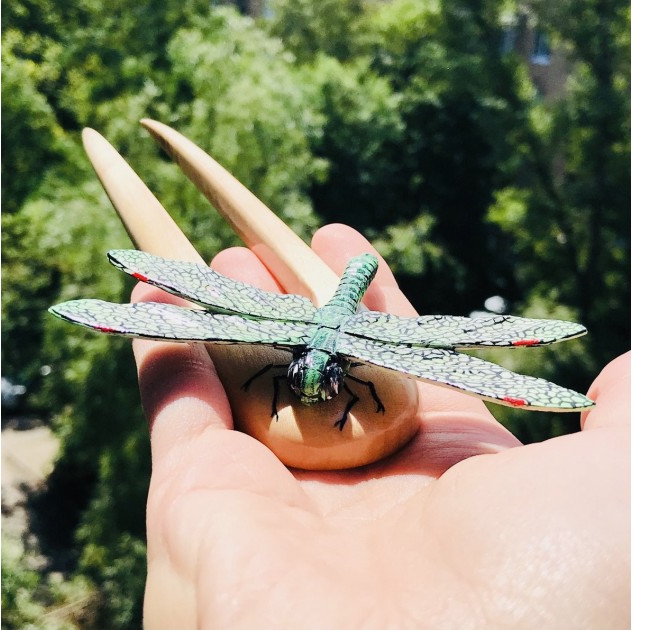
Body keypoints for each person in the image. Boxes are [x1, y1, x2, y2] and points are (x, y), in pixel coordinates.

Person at [131, 224, 629, 629]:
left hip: (346, 313)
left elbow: (364, 391)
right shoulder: (291, 360)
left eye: (318, 381)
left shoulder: (353, 365)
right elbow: (265, 373)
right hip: (314, 328)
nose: (309, 391)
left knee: (367, 385)